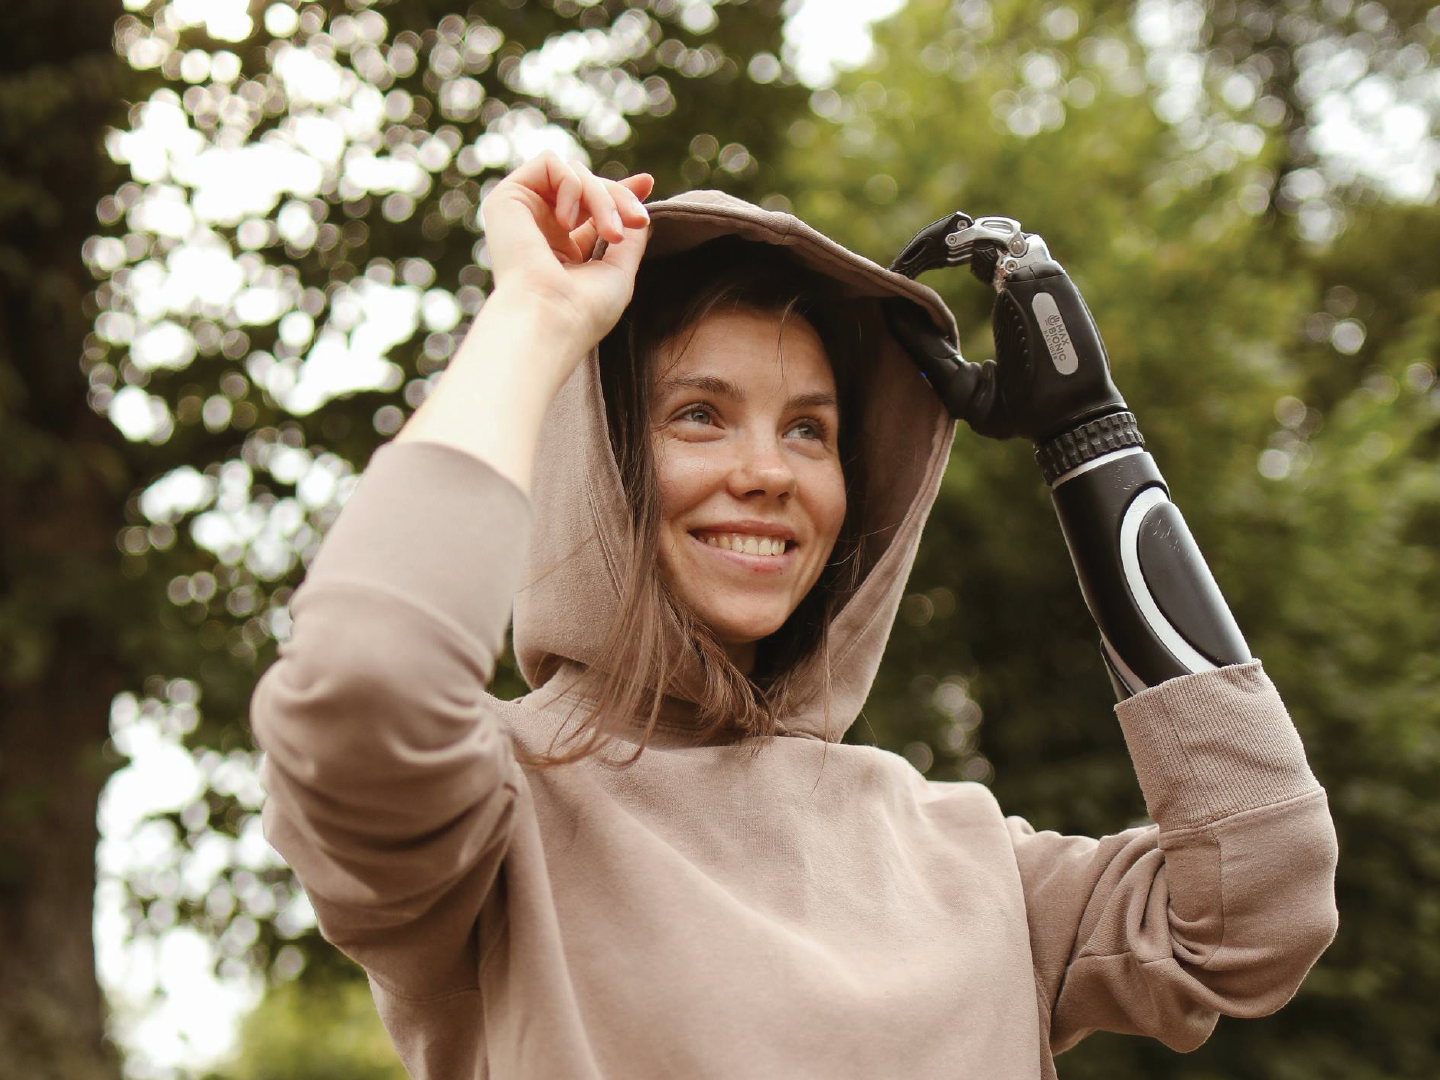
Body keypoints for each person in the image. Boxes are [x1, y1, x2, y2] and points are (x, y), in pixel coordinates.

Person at [248, 151, 1339, 1079]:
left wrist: (1093, 450)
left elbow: (1260, 911)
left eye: (811, 430)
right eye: (699, 414)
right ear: (604, 465)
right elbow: (363, 681)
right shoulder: (493, 819)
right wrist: (537, 316)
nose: (769, 472)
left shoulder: (972, 859)